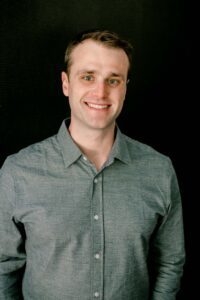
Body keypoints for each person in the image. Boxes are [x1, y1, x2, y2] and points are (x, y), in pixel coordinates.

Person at [0, 29, 185, 300]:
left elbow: (170, 261)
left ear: (125, 87)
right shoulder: (18, 172)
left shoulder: (158, 170)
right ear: (66, 84)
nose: (100, 91)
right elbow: (3, 267)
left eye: (113, 80)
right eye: (88, 77)